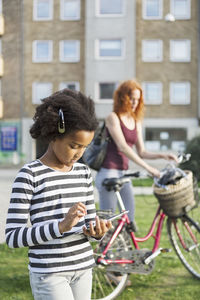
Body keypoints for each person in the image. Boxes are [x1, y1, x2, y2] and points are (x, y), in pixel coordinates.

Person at [5, 89, 112, 300]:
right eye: (74, 145)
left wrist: (98, 232)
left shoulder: (83, 173)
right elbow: (12, 237)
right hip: (49, 273)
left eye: (85, 147)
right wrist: (61, 227)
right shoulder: (30, 175)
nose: (79, 153)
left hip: (83, 268)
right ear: (54, 134)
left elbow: (87, 223)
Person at [95, 79, 178, 226]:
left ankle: (124, 247)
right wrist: (148, 168)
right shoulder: (112, 117)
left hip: (124, 174)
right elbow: (123, 147)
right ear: (123, 98)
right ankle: (106, 248)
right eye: (131, 99)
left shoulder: (136, 121)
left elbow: (142, 152)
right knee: (107, 222)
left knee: (129, 220)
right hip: (108, 172)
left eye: (137, 99)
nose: (134, 103)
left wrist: (163, 155)